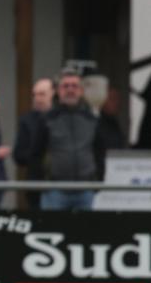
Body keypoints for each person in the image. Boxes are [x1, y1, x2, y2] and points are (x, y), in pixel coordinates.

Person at [33, 68, 105, 211]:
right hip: (55, 189)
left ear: (81, 91)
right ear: (58, 91)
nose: (70, 90)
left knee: (84, 231)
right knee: (53, 229)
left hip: (85, 189)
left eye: (74, 86)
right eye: (65, 86)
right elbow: (36, 153)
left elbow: (99, 152)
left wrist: (98, 182)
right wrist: (39, 185)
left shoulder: (92, 119)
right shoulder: (47, 119)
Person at [13, 78, 53, 210]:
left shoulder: (61, 118)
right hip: (36, 184)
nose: (37, 98)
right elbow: (18, 155)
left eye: (42, 94)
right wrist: (37, 155)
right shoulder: (27, 120)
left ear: (53, 93)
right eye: (34, 94)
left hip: (60, 184)